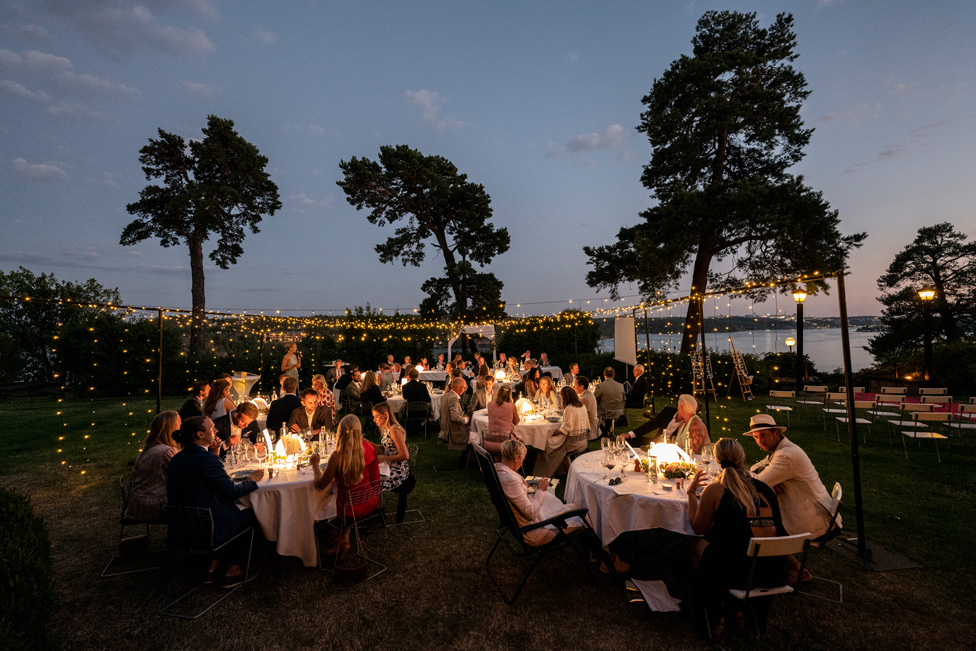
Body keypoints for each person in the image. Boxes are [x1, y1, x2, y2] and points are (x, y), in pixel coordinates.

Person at [686, 438, 787, 636]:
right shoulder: (766, 489)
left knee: (696, 544)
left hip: (738, 572)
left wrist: (691, 493)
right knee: (733, 545)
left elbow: (698, 528)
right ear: (742, 458)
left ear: (717, 460)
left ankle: (714, 610)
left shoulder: (715, 490)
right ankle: (738, 609)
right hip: (773, 571)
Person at [167, 416, 263, 587]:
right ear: (200, 434)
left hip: (182, 524)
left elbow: (199, 481)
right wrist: (252, 480)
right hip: (208, 524)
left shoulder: (176, 459)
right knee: (251, 514)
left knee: (228, 510)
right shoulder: (206, 459)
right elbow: (231, 492)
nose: (216, 430)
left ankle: (213, 565)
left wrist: (215, 453)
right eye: (212, 428)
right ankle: (234, 570)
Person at [745, 414, 838, 540]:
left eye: (763, 435)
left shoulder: (786, 455)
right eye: (756, 437)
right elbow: (755, 468)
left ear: (776, 433)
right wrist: (772, 479)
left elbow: (758, 484)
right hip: (808, 514)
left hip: (812, 522)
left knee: (752, 527)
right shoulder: (780, 449)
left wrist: (769, 480)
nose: (760, 441)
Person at [310, 415, 380, 556]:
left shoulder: (337, 456)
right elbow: (376, 481)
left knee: (316, 509)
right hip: (370, 502)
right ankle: (345, 543)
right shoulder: (369, 448)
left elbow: (320, 485)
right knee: (343, 500)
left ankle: (338, 543)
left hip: (347, 509)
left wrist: (315, 465)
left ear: (340, 433)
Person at [495, 440, 584, 546]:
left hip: (524, 521)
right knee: (583, 516)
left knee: (575, 507)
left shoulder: (497, 471)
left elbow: (517, 494)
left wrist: (530, 486)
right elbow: (531, 513)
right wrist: (541, 490)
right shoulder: (510, 480)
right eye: (522, 459)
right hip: (534, 531)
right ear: (516, 458)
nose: (522, 463)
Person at [125, 410, 181, 523]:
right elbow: (184, 475)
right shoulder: (167, 452)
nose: (182, 425)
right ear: (172, 428)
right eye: (180, 423)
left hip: (138, 502)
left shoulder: (152, 447)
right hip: (152, 505)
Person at [617, 394, 709, 452]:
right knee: (626, 441)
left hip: (669, 450)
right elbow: (651, 425)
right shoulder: (668, 412)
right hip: (655, 442)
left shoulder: (689, 424)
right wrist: (630, 434)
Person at [533, 386, 590, 477]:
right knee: (551, 439)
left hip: (571, 443)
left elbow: (566, 429)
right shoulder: (582, 406)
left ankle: (545, 471)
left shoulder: (569, 409)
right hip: (583, 440)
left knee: (547, 441)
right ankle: (561, 469)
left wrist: (553, 433)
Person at [369, 402, 410, 492]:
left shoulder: (394, 430)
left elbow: (405, 455)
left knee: (371, 481)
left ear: (385, 415)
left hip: (398, 470)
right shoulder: (387, 429)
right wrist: (367, 442)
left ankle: (375, 500)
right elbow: (384, 449)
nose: (374, 420)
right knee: (368, 473)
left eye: (376, 417)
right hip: (389, 465)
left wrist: (384, 458)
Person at [484, 385, 520, 454]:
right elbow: (516, 422)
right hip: (506, 444)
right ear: (510, 395)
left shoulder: (490, 404)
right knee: (521, 443)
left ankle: (496, 460)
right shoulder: (511, 406)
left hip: (489, 442)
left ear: (498, 393)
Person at [439, 377, 470, 452]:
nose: (464, 390)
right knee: (476, 435)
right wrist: (465, 420)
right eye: (464, 388)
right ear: (457, 388)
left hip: (445, 428)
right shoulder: (453, 398)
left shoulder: (446, 395)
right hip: (453, 430)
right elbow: (454, 417)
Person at [593, 366, 625, 436]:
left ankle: (603, 430)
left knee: (591, 409)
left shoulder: (600, 386)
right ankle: (607, 429)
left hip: (605, 412)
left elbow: (594, 400)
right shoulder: (621, 385)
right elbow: (623, 399)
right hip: (618, 411)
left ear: (604, 374)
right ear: (614, 375)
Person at [574, 376, 600, 440]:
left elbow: (577, 414)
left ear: (581, 387)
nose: (573, 386)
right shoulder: (587, 393)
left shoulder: (585, 398)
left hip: (590, 428)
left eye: (575, 384)